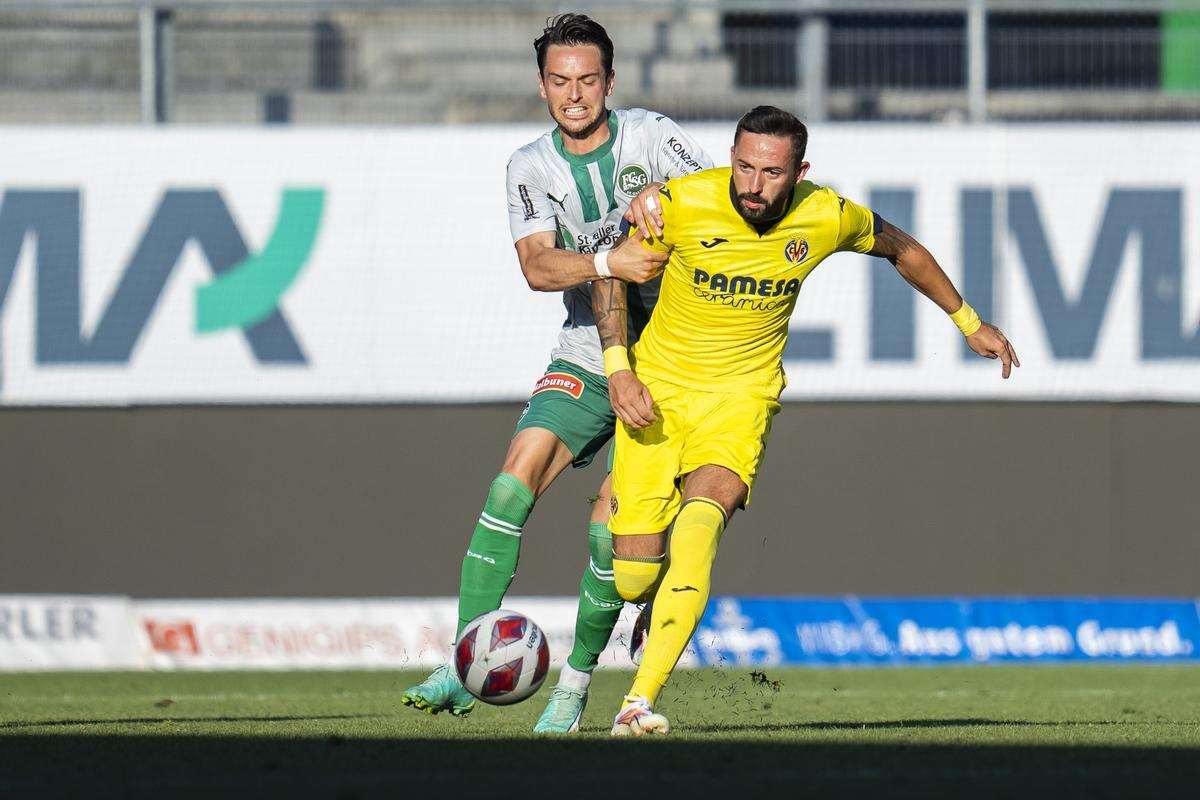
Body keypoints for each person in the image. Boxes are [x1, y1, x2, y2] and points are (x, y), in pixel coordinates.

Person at [591, 105, 1019, 736]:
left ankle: (638, 701)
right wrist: (618, 369)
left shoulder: (827, 214)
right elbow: (612, 278)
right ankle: (648, 600)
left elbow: (905, 249)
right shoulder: (676, 204)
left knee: (702, 527)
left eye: (770, 172)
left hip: (742, 398)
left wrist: (968, 321)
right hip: (656, 394)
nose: (752, 185)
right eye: (743, 166)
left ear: (799, 171)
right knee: (631, 578)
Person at [399, 13, 713, 733]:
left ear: (610, 80)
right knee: (513, 478)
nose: (575, 95)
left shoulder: (652, 137)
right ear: (542, 85)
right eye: (560, 81)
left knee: (610, 532)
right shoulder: (528, 166)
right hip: (585, 346)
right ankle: (463, 661)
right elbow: (540, 266)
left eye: (588, 80)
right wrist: (611, 262)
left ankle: (572, 690)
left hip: (671, 357)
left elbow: (717, 208)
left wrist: (667, 203)